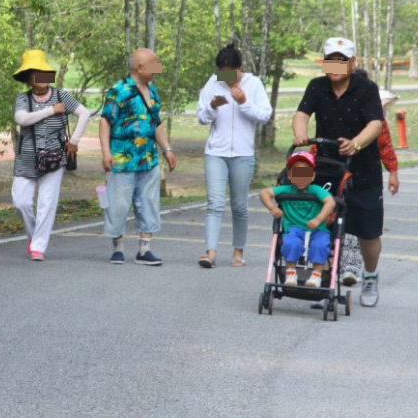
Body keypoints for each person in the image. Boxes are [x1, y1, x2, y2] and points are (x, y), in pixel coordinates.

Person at [292, 37, 384, 307]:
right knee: (324, 226)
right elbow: (301, 114)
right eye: (330, 60)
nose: (335, 65)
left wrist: (356, 143)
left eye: (341, 60)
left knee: (368, 232)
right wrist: (300, 133)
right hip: (327, 169)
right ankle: (327, 282)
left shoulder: (367, 88)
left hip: (364, 171)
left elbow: (376, 124)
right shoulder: (316, 86)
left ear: (352, 63)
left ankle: (370, 276)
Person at [195, 44, 273, 268]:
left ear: (241, 68)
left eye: (232, 73)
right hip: (215, 153)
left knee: (239, 205)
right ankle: (210, 252)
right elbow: (201, 117)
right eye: (223, 73)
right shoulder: (213, 82)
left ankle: (238, 252)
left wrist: (244, 103)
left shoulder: (253, 84)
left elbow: (265, 115)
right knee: (214, 204)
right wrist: (212, 106)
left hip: (242, 154)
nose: (227, 78)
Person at [11, 50, 92, 261]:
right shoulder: (23, 98)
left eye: (43, 71)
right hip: (26, 159)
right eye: (35, 72)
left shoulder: (61, 95)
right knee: (20, 202)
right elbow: (22, 119)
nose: (40, 76)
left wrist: (74, 141)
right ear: (28, 77)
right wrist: (51, 111)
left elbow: (84, 113)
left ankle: (38, 247)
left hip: (55, 158)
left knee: (46, 203)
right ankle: (34, 236)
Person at [100, 48, 177, 265]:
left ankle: (145, 249)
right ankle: (117, 247)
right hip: (122, 160)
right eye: (154, 64)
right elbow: (105, 121)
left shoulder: (152, 91)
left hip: (148, 159)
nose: (157, 69)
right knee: (118, 205)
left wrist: (167, 149)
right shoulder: (118, 90)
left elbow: (156, 123)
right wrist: (106, 152)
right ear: (140, 67)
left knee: (148, 203)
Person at [339, 69, 400, 286]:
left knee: (364, 229)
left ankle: (366, 274)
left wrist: (393, 173)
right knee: (340, 224)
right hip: (338, 174)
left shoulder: (376, 118)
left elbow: (386, 146)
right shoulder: (336, 109)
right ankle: (343, 270)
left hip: (366, 176)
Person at [259, 151, 336, 288]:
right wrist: (272, 208)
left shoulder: (316, 190)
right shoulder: (286, 189)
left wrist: (318, 219)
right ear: (289, 175)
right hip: (294, 229)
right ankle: (291, 272)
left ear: (312, 176)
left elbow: (330, 202)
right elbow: (264, 193)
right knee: (290, 243)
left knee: (320, 245)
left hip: (317, 229)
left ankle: (316, 275)